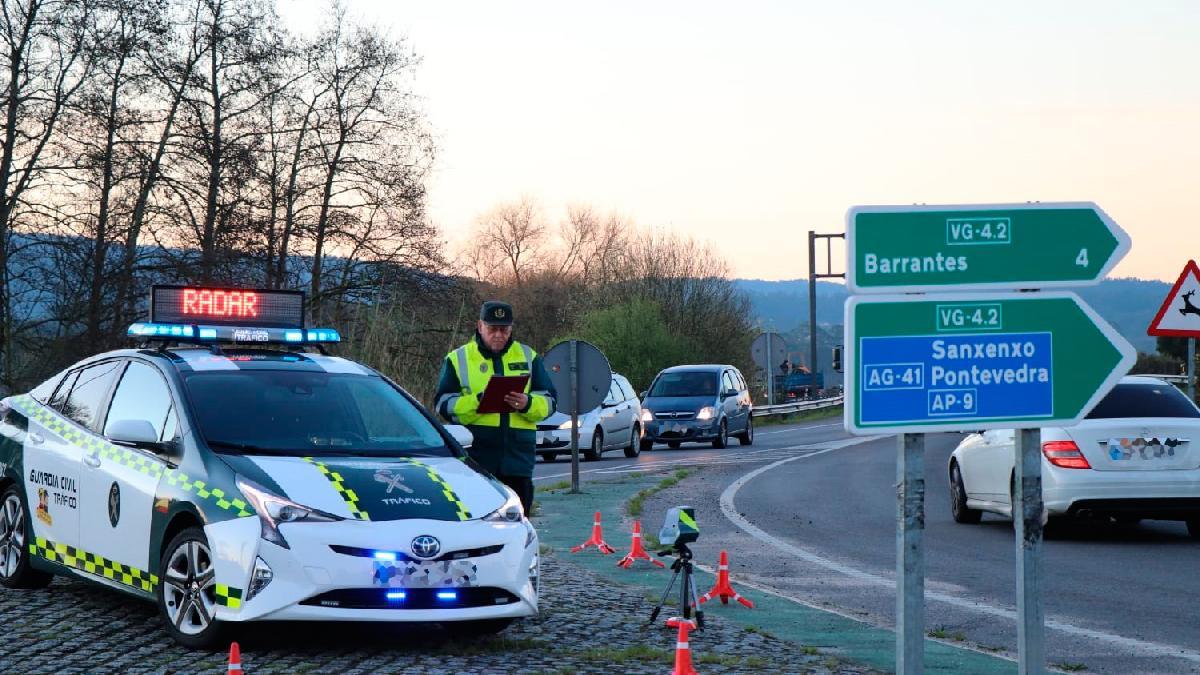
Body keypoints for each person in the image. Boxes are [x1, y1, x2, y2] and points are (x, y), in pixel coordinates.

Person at [435, 301, 556, 514]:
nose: (499, 335)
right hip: (475, 460)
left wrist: (527, 403)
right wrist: (478, 402)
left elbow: (550, 402)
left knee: (519, 521)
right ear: (480, 326)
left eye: (504, 329)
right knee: (478, 521)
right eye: (493, 329)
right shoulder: (458, 359)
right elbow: (443, 405)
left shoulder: (529, 356)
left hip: (518, 460)